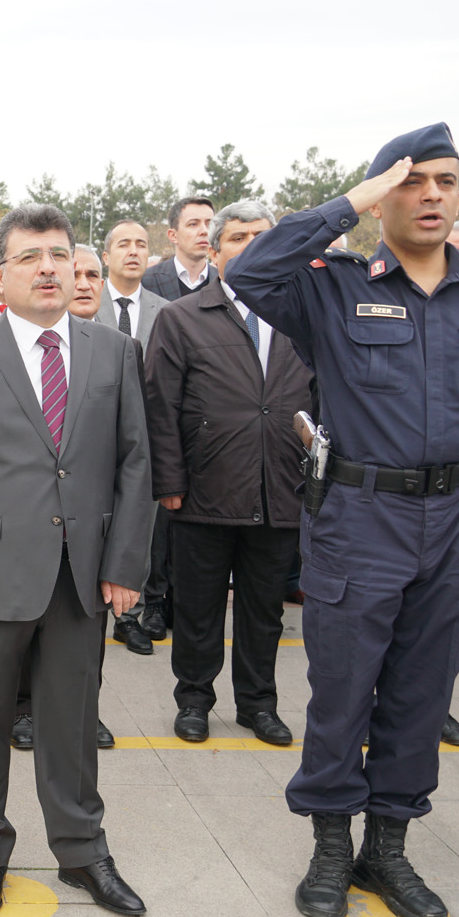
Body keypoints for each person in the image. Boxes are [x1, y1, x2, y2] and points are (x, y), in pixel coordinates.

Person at [227, 123, 459, 917]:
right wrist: (350, 202)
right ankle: (331, 844)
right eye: (412, 180)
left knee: (422, 695)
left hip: (457, 518)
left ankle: (386, 848)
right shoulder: (332, 284)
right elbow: (250, 269)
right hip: (361, 515)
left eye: (446, 181)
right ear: (382, 195)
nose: (431, 194)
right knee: (343, 689)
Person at [0, 201, 155, 917]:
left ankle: (83, 853)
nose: (48, 269)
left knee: (72, 724)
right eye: (30, 257)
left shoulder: (113, 350)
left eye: (59, 254)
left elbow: (136, 463)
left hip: (82, 577)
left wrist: (125, 564)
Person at [142, 199, 313, 746]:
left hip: (281, 491)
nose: (251, 246)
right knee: (198, 607)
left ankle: (258, 704)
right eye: (237, 237)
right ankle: (194, 699)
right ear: (214, 251)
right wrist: (168, 484)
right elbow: (159, 408)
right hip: (204, 495)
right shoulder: (182, 318)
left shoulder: (303, 320)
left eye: (262, 236)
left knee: (264, 612)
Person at [101, 220, 169, 655]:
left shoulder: (168, 311)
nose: (133, 251)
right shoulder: (81, 303)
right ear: (106, 255)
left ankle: (130, 614)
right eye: (123, 244)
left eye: (141, 245)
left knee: (139, 527)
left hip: (143, 437)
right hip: (88, 438)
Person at [142, 196, 215, 301]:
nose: (204, 231)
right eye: (193, 224)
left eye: (209, 224)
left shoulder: (225, 282)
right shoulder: (147, 281)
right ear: (173, 235)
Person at [67, 245, 104, 321]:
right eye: (74, 276)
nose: (84, 286)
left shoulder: (111, 332)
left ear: (101, 286)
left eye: (92, 276)